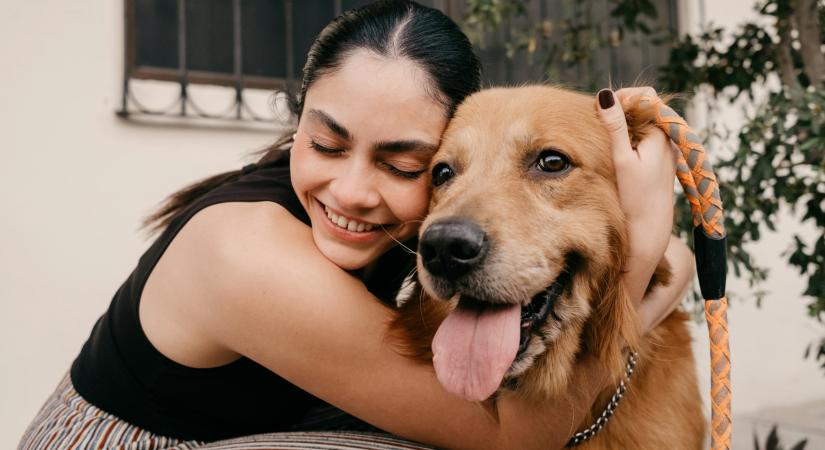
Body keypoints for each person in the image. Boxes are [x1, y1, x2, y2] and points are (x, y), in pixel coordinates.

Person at [19, 1, 692, 449]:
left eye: (405, 162)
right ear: (297, 121)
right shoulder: (243, 255)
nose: (351, 190)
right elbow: (508, 440)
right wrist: (640, 265)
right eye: (327, 144)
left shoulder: (409, 223)